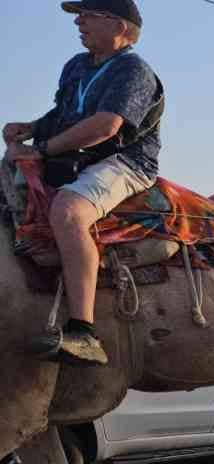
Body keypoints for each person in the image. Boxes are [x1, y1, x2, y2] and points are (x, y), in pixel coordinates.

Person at [5, 0, 161, 366]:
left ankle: (84, 332)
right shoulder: (76, 66)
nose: (79, 21)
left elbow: (105, 126)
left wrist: (41, 150)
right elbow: (65, 114)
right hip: (75, 157)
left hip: (122, 162)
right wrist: (29, 128)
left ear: (120, 26)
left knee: (69, 212)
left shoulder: (133, 71)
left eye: (89, 14)